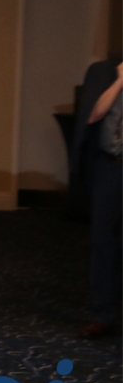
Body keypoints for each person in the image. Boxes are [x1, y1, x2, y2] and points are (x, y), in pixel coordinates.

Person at [70, 59, 123, 339]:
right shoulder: (104, 72)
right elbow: (93, 116)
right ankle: (103, 314)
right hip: (110, 166)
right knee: (103, 241)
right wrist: (120, 81)